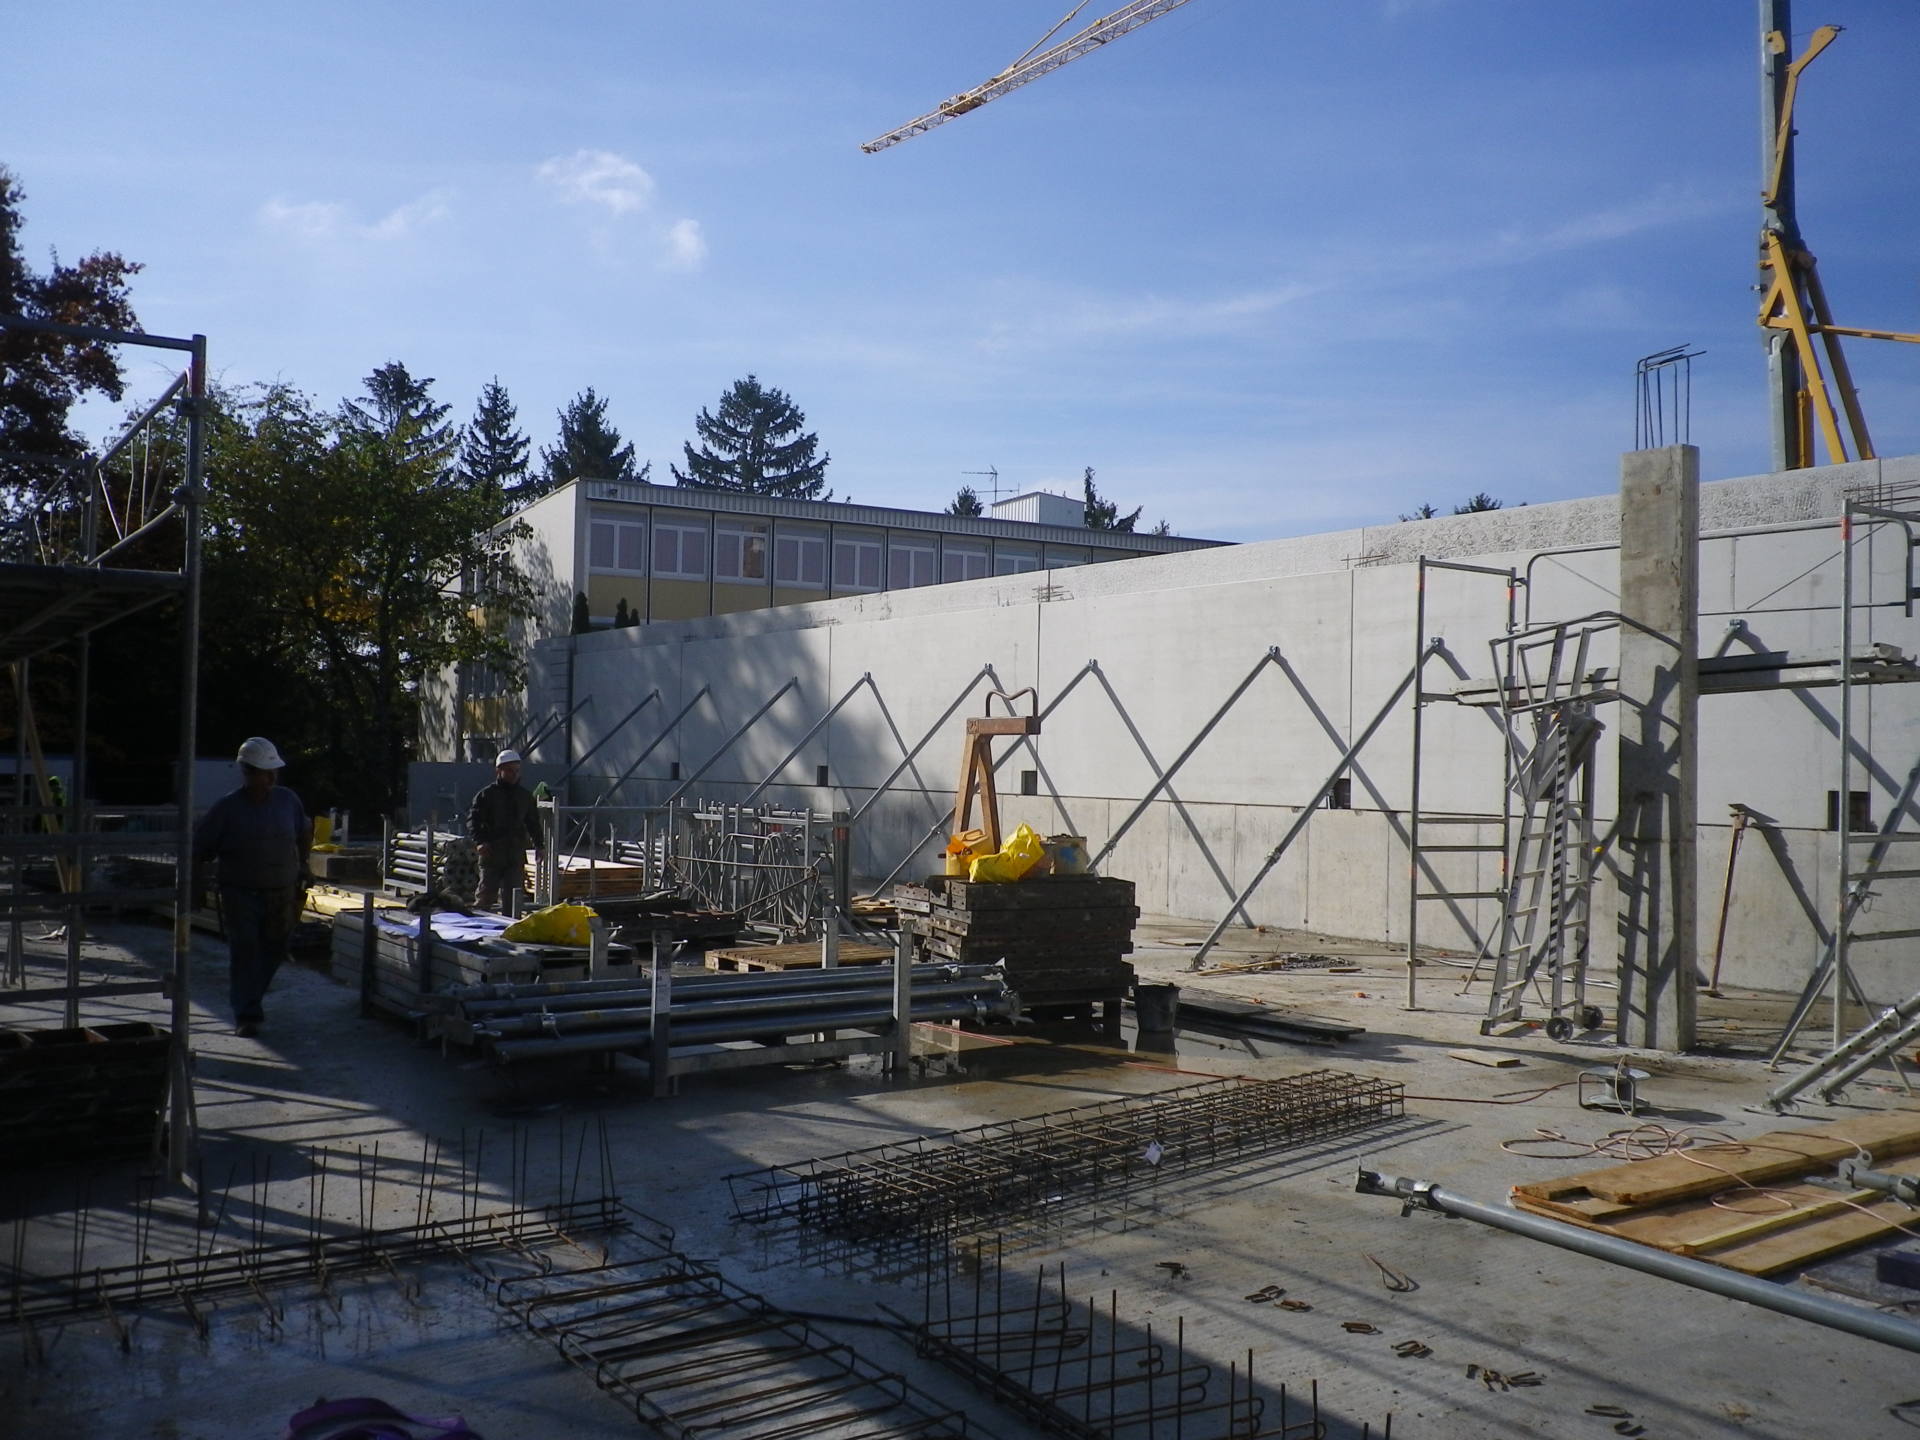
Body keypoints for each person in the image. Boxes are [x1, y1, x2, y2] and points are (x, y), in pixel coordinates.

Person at [192, 737, 313, 1037]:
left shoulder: (288, 801)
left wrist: (304, 864)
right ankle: (247, 1014)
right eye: (264, 772)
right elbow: (199, 850)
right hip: (240, 892)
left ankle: (251, 997)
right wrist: (194, 886)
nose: (271, 779)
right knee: (245, 949)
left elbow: (304, 830)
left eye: (274, 772)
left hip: (281, 891)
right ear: (247, 772)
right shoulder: (227, 809)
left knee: (275, 947)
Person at [468, 748, 544, 912]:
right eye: (509, 771)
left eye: (516, 771)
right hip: (492, 853)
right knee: (486, 894)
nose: (514, 774)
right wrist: (480, 842)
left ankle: (510, 927)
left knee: (513, 896)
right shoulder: (486, 795)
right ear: (499, 771)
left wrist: (539, 845)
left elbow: (533, 823)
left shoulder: (524, 796)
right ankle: (479, 927)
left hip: (515, 854)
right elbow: (473, 821)